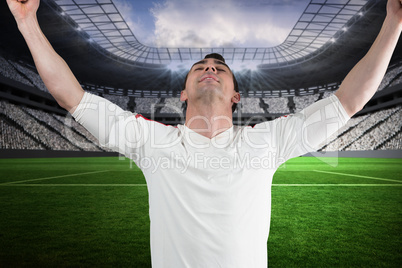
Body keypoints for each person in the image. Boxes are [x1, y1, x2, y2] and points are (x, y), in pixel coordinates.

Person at [6, 0, 402, 267]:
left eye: (220, 68)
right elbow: (70, 96)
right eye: (200, 67)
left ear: (235, 95)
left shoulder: (265, 141)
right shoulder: (153, 142)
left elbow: (348, 101)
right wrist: (26, 21)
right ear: (183, 92)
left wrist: (394, 22)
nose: (209, 68)